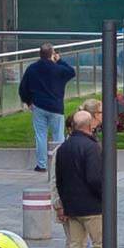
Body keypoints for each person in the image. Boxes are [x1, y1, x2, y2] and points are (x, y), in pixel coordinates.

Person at [53, 107, 105, 248]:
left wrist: (63, 204)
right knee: (100, 244)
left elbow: (59, 179)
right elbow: (94, 178)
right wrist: (103, 195)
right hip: (92, 206)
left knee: (76, 246)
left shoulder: (64, 148)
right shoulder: (91, 147)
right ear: (90, 125)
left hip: (72, 207)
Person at [19, 45, 76, 173]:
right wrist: (60, 60)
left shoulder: (32, 69)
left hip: (38, 106)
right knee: (58, 136)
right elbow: (72, 72)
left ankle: (42, 165)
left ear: (40, 54)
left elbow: (23, 88)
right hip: (56, 107)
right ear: (52, 54)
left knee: (40, 135)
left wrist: (28, 102)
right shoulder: (59, 69)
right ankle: (59, 164)